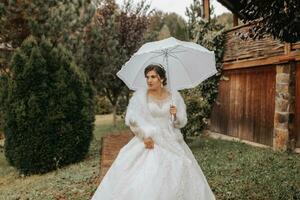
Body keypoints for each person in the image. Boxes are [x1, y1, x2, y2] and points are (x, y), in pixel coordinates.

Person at [91, 64, 216, 200]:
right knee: (148, 175)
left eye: (153, 77)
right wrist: (144, 136)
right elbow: (133, 121)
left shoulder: (174, 96)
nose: (149, 80)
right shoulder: (140, 97)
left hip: (171, 139)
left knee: (179, 168)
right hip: (149, 140)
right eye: (147, 77)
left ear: (161, 78)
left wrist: (176, 115)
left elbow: (180, 123)